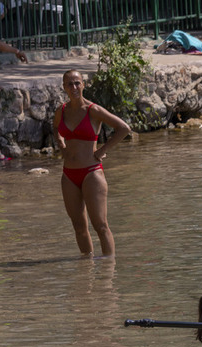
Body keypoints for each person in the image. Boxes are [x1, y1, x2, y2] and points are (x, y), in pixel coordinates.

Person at [53, 70, 131, 258]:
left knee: (101, 226)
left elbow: (123, 128)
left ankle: (108, 272)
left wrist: (102, 151)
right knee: (79, 227)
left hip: (92, 172)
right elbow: (56, 129)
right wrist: (62, 146)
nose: (74, 87)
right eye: (69, 84)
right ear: (64, 87)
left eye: (77, 83)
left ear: (83, 85)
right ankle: (87, 271)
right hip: (69, 175)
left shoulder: (93, 110)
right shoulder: (61, 111)